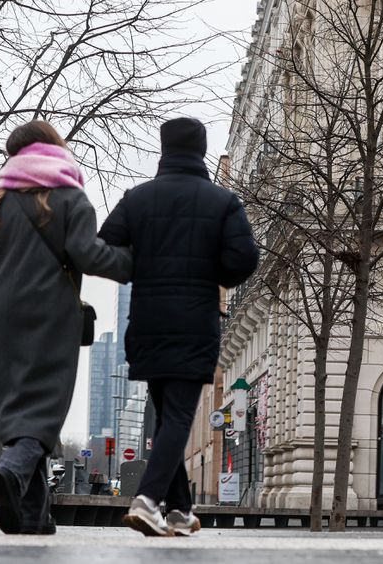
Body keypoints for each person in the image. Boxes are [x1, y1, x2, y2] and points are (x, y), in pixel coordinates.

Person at [0, 120, 132, 535]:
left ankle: (33, 516)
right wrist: (135, 264)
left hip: (4, 314)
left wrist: (7, 293)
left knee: (17, 403)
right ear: (54, 149)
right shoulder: (70, 199)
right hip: (53, 315)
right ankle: (12, 471)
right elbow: (87, 253)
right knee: (45, 404)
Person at [100, 117, 258, 537]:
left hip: (147, 323)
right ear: (201, 149)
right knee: (178, 418)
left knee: (167, 416)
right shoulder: (222, 202)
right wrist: (214, 272)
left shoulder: (137, 199)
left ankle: (180, 512)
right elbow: (245, 259)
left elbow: (105, 243)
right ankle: (149, 500)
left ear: (164, 147)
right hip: (194, 321)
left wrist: (143, 267)